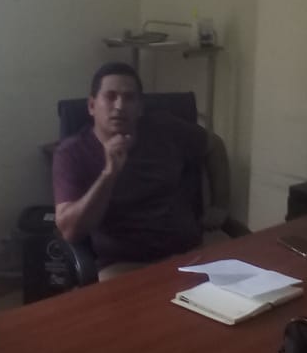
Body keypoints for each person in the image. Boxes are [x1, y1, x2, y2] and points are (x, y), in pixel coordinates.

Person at [53, 62, 223, 280]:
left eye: (129, 98)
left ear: (140, 107)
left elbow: (214, 146)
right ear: (92, 106)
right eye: (110, 96)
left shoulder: (165, 129)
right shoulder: (72, 153)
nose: (119, 106)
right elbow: (70, 231)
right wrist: (109, 175)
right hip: (124, 264)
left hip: (190, 253)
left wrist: (221, 204)